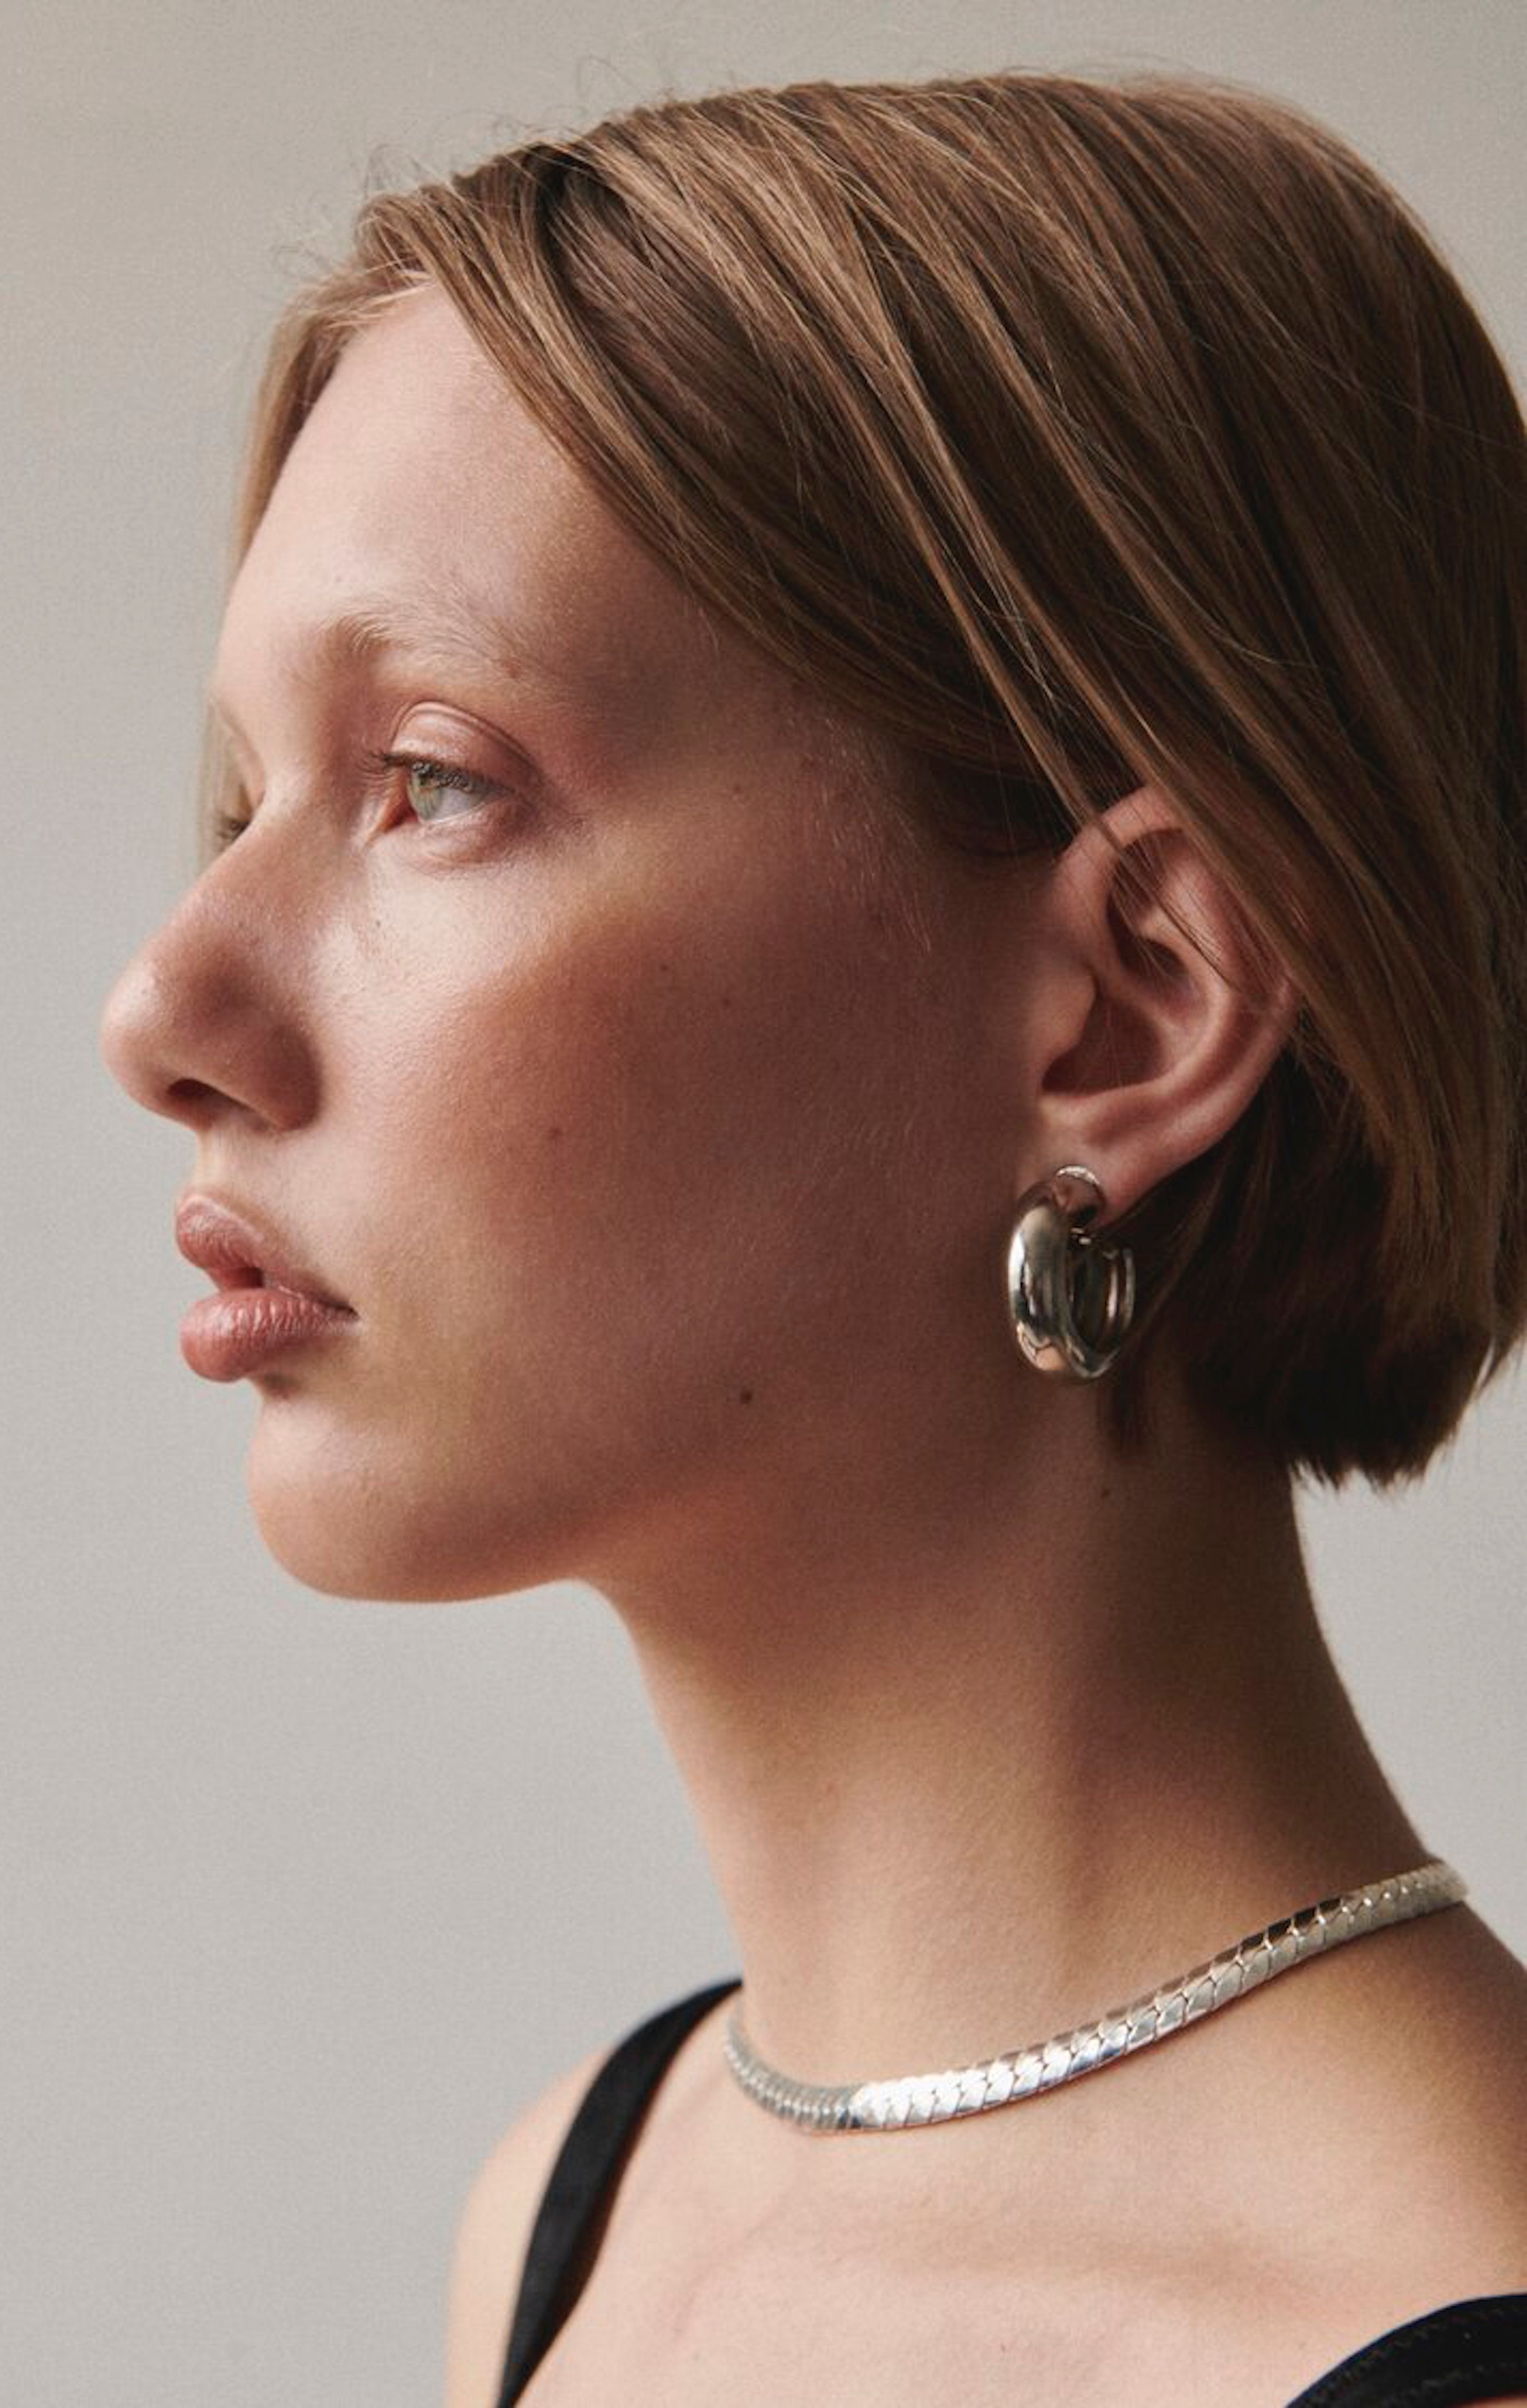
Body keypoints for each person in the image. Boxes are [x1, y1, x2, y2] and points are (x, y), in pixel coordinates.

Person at [98, 66, 1527, 2407]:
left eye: (429, 780)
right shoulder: (581, 2216)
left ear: (1133, 1002)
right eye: (242, 799)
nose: (165, 1006)